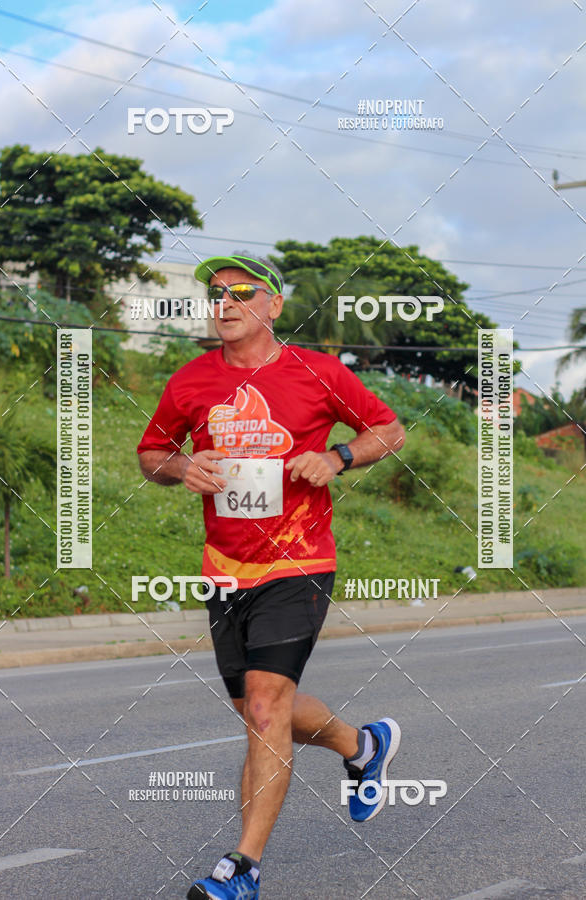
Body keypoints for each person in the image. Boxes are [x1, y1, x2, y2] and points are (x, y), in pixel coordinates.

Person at [137, 253, 405, 900]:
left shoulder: (318, 372)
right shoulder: (191, 381)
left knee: (264, 706)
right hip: (225, 569)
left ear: (273, 306)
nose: (224, 303)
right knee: (254, 710)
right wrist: (182, 469)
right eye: (216, 294)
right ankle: (361, 744)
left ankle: (243, 868)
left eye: (241, 292)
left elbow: (388, 431)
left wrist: (338, 456)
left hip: (300, 562)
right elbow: (150, 454)